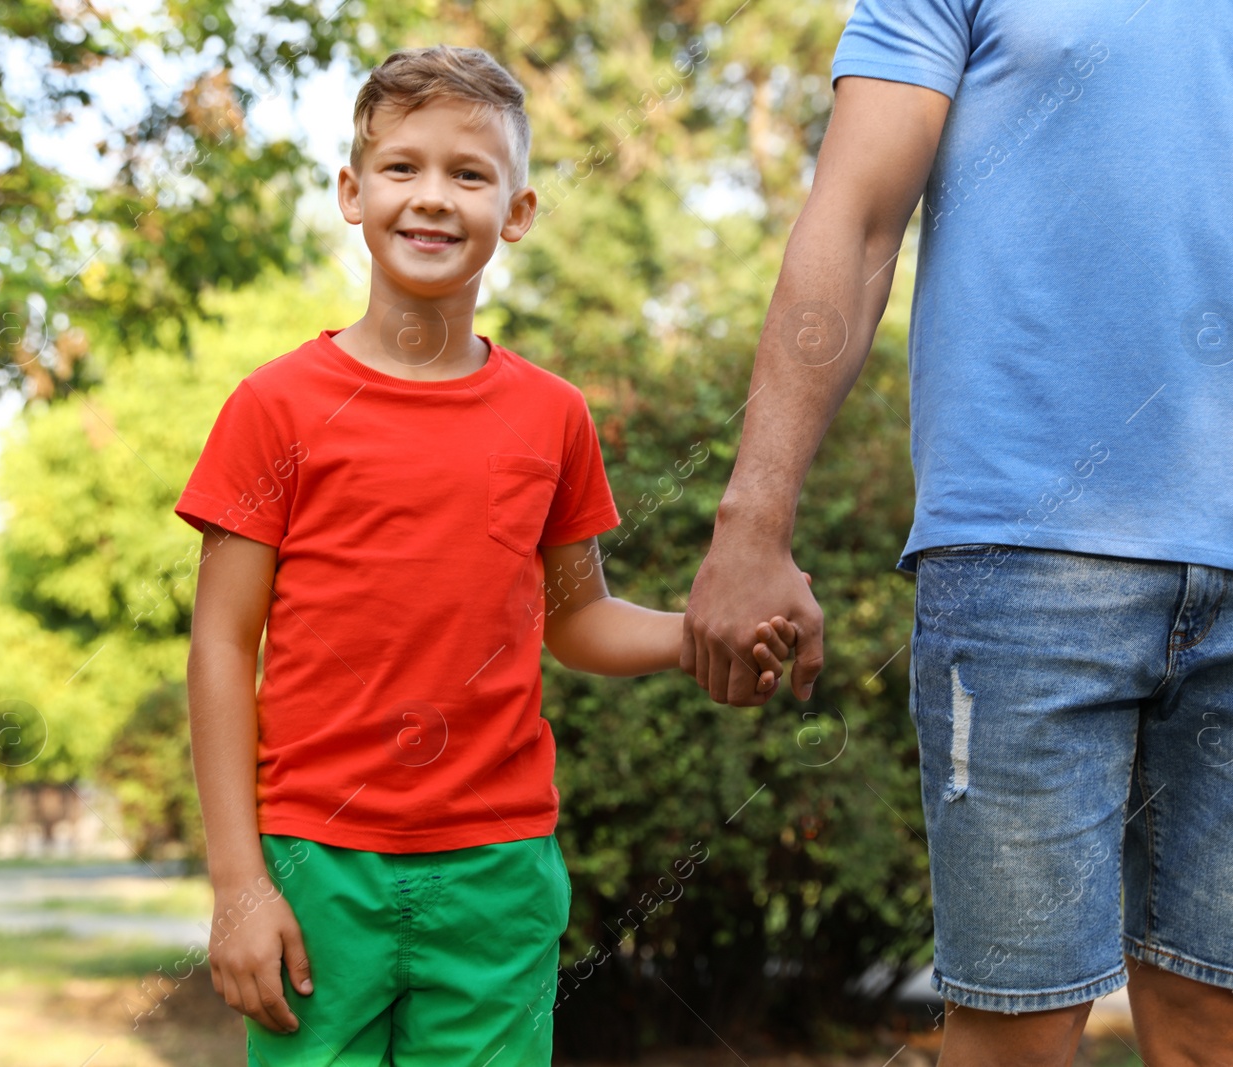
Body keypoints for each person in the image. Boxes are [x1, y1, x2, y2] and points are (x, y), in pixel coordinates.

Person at [682, 3, 1233, 1065]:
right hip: (1022, 559)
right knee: (1010, 1037)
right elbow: (856, 218)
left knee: (1221, 1036)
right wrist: (752, 516)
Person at [175, 45, 794, 1066]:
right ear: (350, 191)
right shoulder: (273, 406)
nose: (431, 198)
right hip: (313, 865)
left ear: (516, 211)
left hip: (496, 870)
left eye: (468, 174)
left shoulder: (551, 416)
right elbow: (219, 644)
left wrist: (700, 637)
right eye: (401, 167)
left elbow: (576, 617)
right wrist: (240, 881)